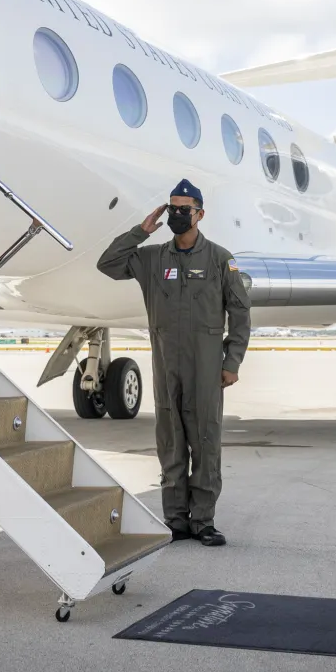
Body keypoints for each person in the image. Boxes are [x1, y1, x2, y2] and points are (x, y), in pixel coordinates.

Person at [96, 179, 251, 546]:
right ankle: (176, 522)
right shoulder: (152, 259)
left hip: (206, 369)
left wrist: (233, 361)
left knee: (206, 443)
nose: (178, 215)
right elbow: (108, 263)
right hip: (167, 368)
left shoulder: (218, 259)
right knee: (171, 444)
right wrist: (141, 230)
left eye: (185, 210)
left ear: (200, 214)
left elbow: (240, 313)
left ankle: (204, 522)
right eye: (173, 209)